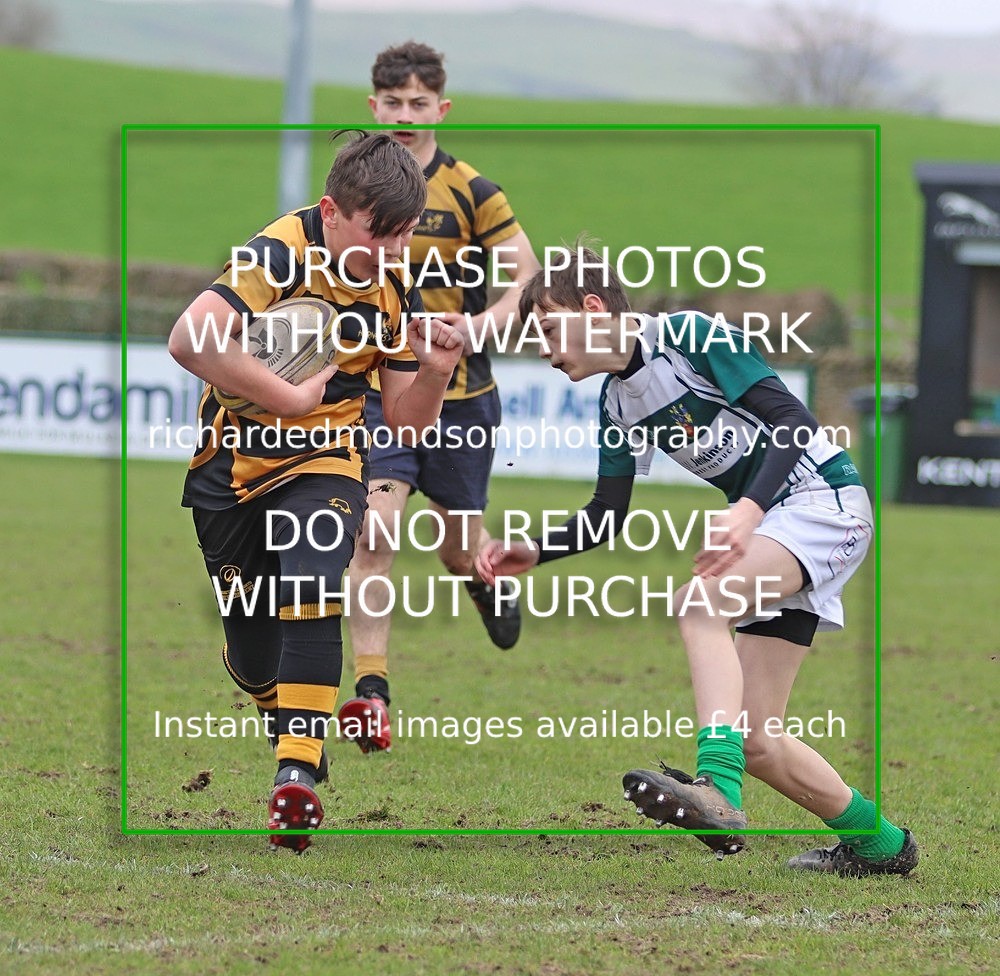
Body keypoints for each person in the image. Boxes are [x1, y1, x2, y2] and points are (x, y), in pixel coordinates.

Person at [475, 247, 918, 876]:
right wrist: (538, 549)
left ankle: (717, 789)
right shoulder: (616, 402)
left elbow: (792, 421)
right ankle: (882, 845)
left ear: (592, 308)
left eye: (548, 329)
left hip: (824, 502)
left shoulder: (688, 336)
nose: (545, 351)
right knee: (757, 740)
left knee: (700, 603)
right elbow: (607, 511)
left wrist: (748, 511)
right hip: (780, 522)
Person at [168, 131, 464, 852]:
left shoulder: (393, 285)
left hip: (327, 460)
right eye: (377, 235)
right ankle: (285, 718)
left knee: (314, 585)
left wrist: (434, 371)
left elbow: (405, 422)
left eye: (403, 236)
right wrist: (289, 398)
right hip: (230, 469)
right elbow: (190, 340)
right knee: (253, 657)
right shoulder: (276, 255)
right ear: (332, 212)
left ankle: (294, 775)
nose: (391, 251)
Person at [339, 41, 542, 752]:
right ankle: (372, 692)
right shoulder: (355, 186)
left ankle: (482, 579)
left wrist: (478, 326)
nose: (404, 114)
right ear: (373, 107)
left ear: (441, 109)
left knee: (458, 552)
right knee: (375, 532)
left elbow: (527, 276)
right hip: (381, 390)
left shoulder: (473, 191)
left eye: (418, 103)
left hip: (462, 397)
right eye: (392, 103)